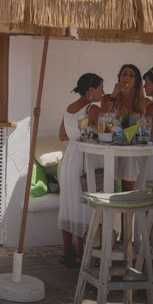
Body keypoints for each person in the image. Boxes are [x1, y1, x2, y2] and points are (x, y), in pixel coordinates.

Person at [57, 72, 104, 266]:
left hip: (69, 158)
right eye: (101, 87)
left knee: (68, 205)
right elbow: (105, 132)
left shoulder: (69, 108)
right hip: (85, 159)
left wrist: (76, 135)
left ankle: (68, 251)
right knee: (85, 206)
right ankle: (83, 254)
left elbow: (62, 136)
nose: (103, 91)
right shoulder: (93, 109)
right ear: (91, 90)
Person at [102, 64, 150, 190]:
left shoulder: (144, 102)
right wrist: (113, 95)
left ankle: (126, 209)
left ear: (136, 81)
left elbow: (143, 128)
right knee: (107, 187)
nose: (127, 77)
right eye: (124, 74)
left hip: (131, 150)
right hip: (110, 146)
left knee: (128, 188)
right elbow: (103, 118)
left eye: (131, 75)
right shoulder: (108, 98)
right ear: (119, 78)